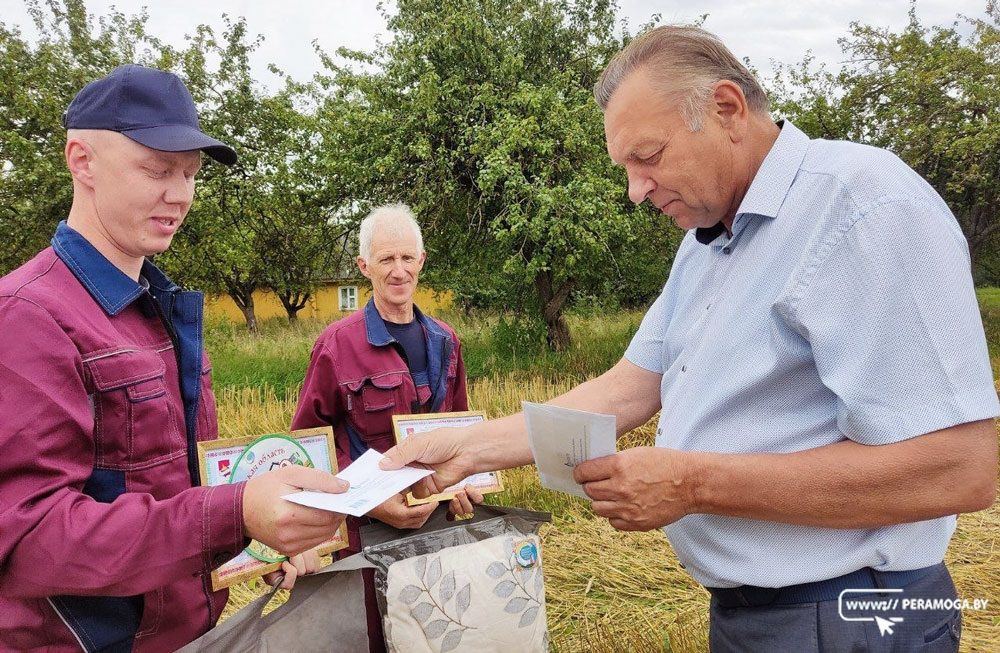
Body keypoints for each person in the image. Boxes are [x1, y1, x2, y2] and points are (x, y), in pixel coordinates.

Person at [381, 26, 999, 652]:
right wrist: (464, 450)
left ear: (726, 109)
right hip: (754, 613)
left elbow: (960, 468)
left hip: (852, 612)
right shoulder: (708, 244)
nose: (636, 190)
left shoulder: (864, 208)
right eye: (626, 168)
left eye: (648, 157)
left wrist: (692, 484)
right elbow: (628, 387)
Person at [0, 65, 348, 652]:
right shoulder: (28, 316)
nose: (180, 195)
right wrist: (236, 514)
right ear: (81, 160)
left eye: (190, 174)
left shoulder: (156, 308)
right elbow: (30, 538)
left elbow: (170, 489)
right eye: (156, 169)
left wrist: (260, 543)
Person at [292, 203, 481, 651]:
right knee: (373, 636)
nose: (398, 271)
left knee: (434, 633)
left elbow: (461, 430)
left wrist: (462, 487)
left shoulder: (445, 340)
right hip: (365, 531)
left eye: (407, 258)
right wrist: (374, 503)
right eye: (386, 259)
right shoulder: (337, 345)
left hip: (435, 524)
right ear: (364, 267)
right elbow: (308, 444)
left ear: (422, 261)